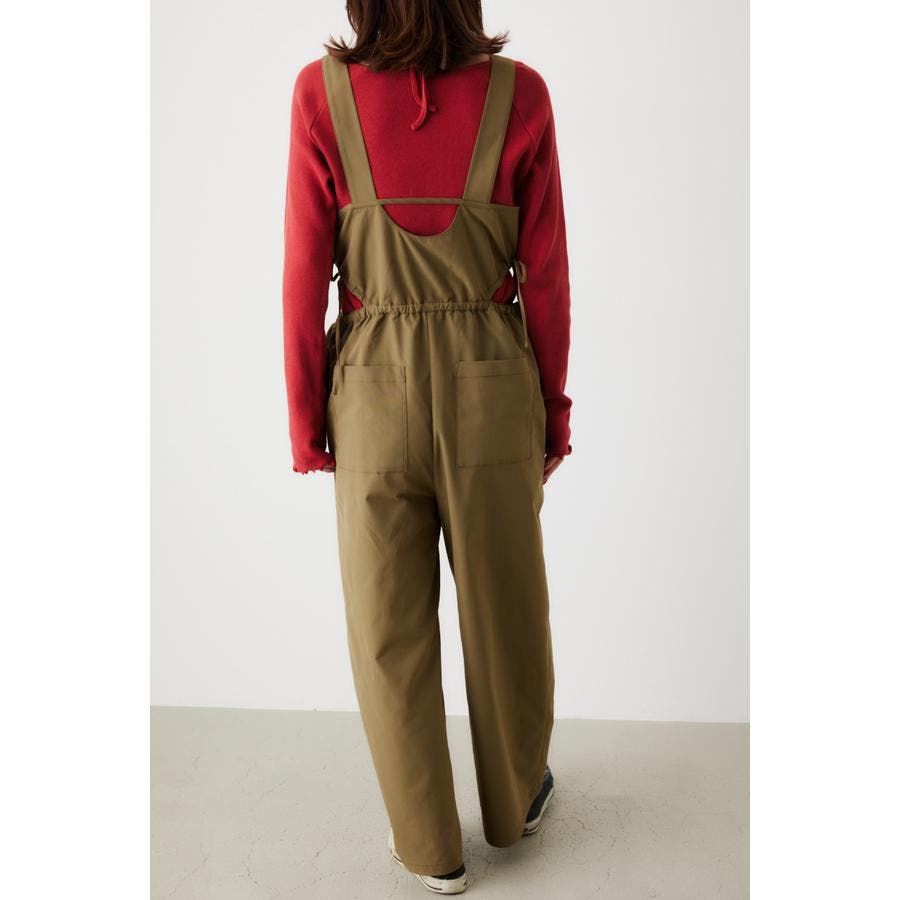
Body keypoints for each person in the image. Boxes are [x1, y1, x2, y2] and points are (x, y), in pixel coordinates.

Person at [282, 1, 572, 893]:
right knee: (505, 605)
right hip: (491, 380)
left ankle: (427, 847)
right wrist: (552, 409)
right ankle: (515, 802)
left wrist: (304, 415)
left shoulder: (321, 94)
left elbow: (304, 268)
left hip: (371, 388)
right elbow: (547, 274)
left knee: (388, 624)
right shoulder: (521, 95)